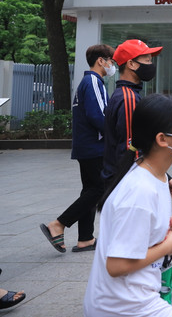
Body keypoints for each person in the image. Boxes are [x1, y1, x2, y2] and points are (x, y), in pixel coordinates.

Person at [83, 94, 172, 317]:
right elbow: (116, 266)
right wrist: (168, 246)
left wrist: (160, 228)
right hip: (121, 306)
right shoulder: (139, 191)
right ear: (163, 139)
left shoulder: (157, 177)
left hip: (137, 297)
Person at [40, 44, 115, 254]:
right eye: (111, 60)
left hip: (87, 146)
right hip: (94, 146)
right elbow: (100, 116)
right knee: (98, 190)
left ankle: (85, 239)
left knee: (90, 190)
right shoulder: (92, 81)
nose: (112, 65)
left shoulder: (88, 82)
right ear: (101, 60)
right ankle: (58, 224)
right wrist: (115, 137)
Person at [102, 40, 172, 200]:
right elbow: (132, 148)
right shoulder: (129, 98)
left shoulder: (124, 94)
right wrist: (158, 176)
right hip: (127, 181)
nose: (151, 65)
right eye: (147, 60)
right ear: (131, 64)